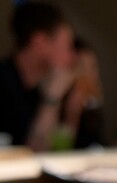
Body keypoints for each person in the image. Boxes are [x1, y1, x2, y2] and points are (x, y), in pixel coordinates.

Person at [0, 1, 75, 151]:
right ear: (40, 43)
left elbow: (63, 149)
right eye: (67, 46)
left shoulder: (40, 89)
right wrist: (52, 99)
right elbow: (36, 151)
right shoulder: (4, 85)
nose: (72, 57)